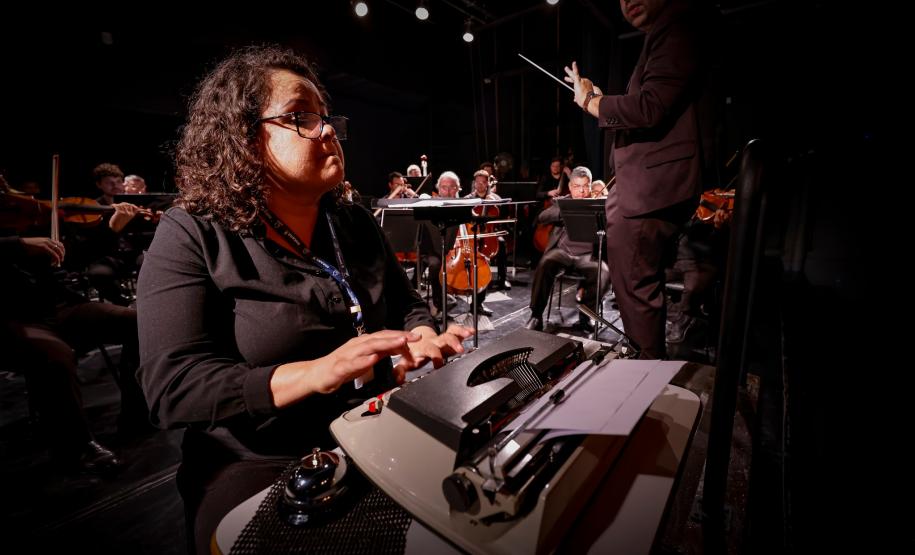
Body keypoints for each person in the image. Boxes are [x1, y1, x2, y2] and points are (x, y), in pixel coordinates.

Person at [135, 45, 473, 554]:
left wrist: (421, 334)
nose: (328, 130)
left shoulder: (355, 221)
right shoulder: (192, 232)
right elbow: (171, 386)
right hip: (259, 459)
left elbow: (408, 305)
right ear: (244, 140)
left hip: (374, 427)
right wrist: (318, 371)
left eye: (326, 116)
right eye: (301, 117)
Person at [564, 0, 716, 358]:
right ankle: (645, 363)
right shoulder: (671, 30)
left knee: (634, 287)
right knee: (639, 287)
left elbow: (649, 107)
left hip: (650, 188)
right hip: (653, 186)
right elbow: (654, 103)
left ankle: (643, 374)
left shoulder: (678, 21)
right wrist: (599, 98)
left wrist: (592, 104)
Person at [0, 234, 148, 474]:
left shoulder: (36, 215)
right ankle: (76, 448)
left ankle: (138, 415)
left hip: (58, 305)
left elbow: (81, 258)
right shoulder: (16, 233)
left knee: (139, 323)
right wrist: (18, 245)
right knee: (53, 356)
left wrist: (107, 230)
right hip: (11, 316)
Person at [524, 166, 609, 332]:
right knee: (546, 262)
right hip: (563, 252)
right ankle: (536, 315)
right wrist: (566, 211)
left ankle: (587, 315)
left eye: (585, 186)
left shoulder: (597, 204)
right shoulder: (563, 201)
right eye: (577, 186)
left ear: (590, 186)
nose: (582, 191)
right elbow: (541, 217)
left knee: (603, 272)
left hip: (587, 256)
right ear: (570, 187)